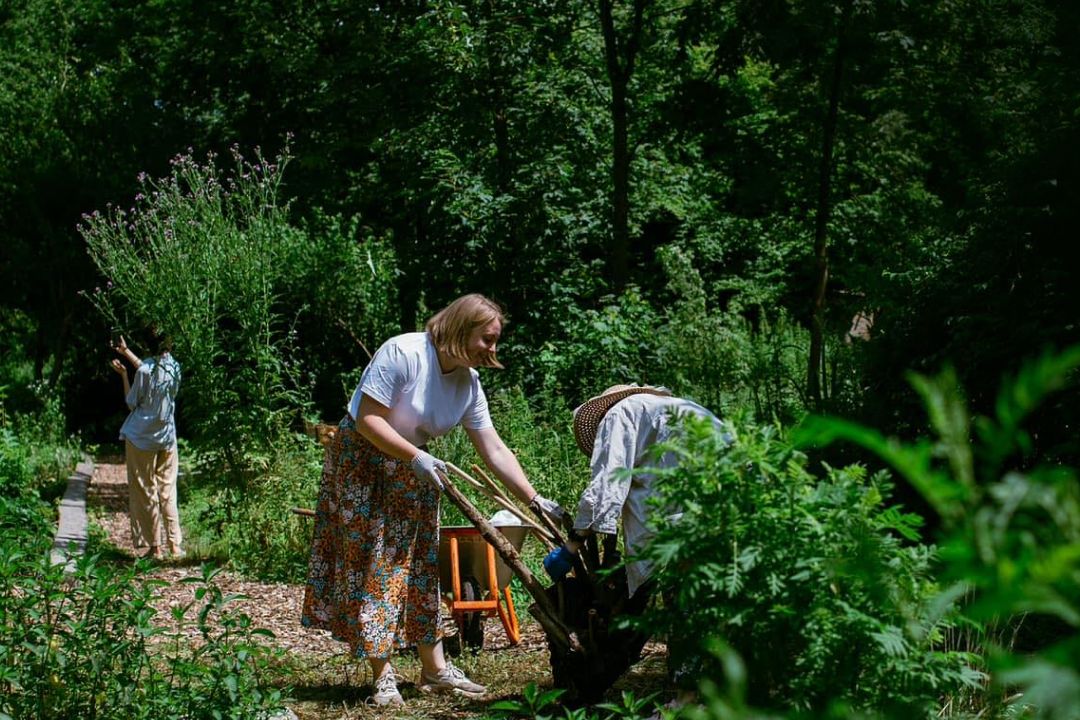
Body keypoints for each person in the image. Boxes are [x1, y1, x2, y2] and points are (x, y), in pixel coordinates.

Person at [302, 293, 563, 707]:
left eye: (496, 341)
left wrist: (534, 499)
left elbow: (493, 448)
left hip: (413, 466)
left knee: (422, 565)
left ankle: (435, 670)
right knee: (377, 562)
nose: (492, 350)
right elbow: (368, 419)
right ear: (461, 329)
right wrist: (416, 455)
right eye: (487, 339)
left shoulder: (468, 383)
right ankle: (382, 675)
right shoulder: (403, 352)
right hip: (364, 462)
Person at [543, 383, 725, 711]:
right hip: (726, 490)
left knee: (684, 597)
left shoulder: (620, 415)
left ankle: (686, 701)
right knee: (713, 597)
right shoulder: (668, 410)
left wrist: (571, 547)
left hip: (692, 507)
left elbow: (607, 484)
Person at [109, 330, 184, 561]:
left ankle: (155, 548)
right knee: (168, 490)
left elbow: (131, 403)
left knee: (146, 491)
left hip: (142, 438)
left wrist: (123, 375)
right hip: (167, 437)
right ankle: (175, 546)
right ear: (169, 343)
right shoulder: (175, 367)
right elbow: (151, 372)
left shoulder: (144, 371)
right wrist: (126, 352)